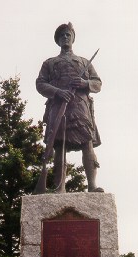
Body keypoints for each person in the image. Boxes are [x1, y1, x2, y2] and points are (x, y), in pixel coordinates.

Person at [36, 22, 104, 193]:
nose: (65, 37)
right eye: (62, 35)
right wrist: (58, 92)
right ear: (57, 41)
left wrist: (84, 83)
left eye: (68, 34)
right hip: (58, 107)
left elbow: (98, 83)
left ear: (73, 38)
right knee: (59, 145)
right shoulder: (49, 63)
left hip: (80, 107)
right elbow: (40, 84)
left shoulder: (84, 62)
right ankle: (60, 188)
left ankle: (92, 185)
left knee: (87, 143)